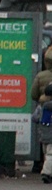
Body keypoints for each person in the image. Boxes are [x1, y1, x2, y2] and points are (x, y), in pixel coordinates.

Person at [31, 46, 52, 182]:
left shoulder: (41, 76)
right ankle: (47, 172)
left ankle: (39, 165)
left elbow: (33, 94)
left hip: (44, 129)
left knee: (47, 150)